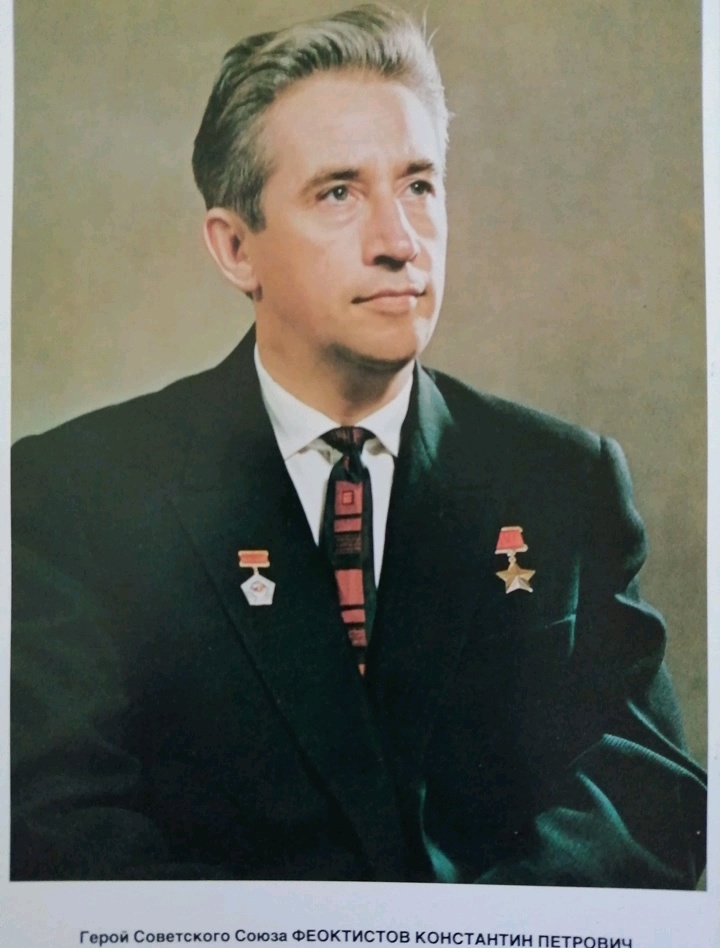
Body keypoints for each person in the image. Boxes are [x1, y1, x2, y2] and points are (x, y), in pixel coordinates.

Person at [11, 4, 706, 886]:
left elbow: (652, 797)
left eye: (419, 186)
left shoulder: (563, 480)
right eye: (339, 192)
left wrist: (455, 940)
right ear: (236, 248)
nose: (399, 242)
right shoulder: (74, 495)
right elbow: (60, 831)